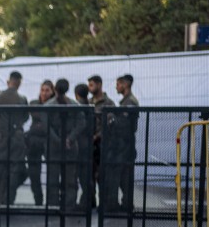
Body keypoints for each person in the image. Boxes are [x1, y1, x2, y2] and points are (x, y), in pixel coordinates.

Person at [0, 70, 28, 207]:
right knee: (14, 171)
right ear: (19, 83)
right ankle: (8, 201)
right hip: (16, 138)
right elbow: (25, 117)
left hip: (0, 138)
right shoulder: (22, 99)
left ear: (8, 81)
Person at [45, 79, 82, 210]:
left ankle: (55, 206)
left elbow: (46, 127)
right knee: (69, 179)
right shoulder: (74, 104)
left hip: (58, 146)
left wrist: (61, 141)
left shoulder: (49, 105)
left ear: (55, 88)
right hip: (68, 145)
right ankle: (68, 206)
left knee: (56, 179)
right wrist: (69, 140)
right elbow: (80, 123)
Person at [108, 74, 140, 212]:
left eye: (118, 84)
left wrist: (112, 118)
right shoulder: (126, 101)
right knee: (123, 176)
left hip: (124, 144)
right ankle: (124, 204)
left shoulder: (129, 102)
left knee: (120, 175)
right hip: (123, 144)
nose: (116, 86)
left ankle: (119, 204)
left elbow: (125, 125)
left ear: (125, 84)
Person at [87, 74, 116, 210]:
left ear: (99, 85)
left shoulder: (108, 103)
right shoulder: (88, 102)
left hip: (102, 145)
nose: (90, 88)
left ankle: (104, 203)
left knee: (102, 176)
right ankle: (90, 202)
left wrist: (97, 136)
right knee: (89, 175)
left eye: (92, 85)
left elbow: (109, 124)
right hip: (90, 145)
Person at [25, 79, 55, 206]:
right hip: (33, 141)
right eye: (42, 90)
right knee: (34, 173)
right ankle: (38, 200)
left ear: (52, 91)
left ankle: (52, 201)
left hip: (49, 140)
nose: (44, 93)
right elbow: (37, 114)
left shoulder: (55, 104)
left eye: (47, 90)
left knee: (52, 172)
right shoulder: (34, 103)